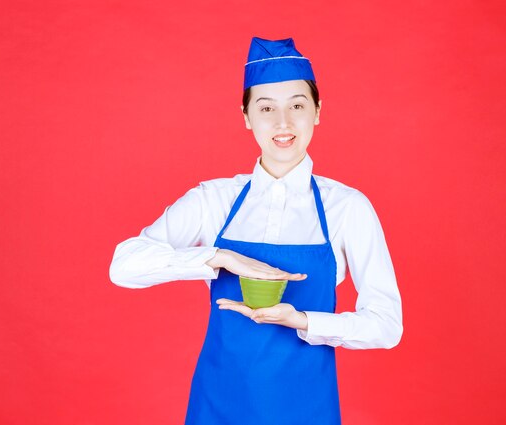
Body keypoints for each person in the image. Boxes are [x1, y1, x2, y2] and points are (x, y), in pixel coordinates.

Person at [109, 37, 403, 425]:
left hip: (306, 406)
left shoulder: (347, 208)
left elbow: (386, 325)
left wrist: (301, 320)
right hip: (218, 403)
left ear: (317, 111)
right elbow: (123, 267)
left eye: (297, 105)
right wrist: (218, 257)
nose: (283, 124)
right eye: (266, 108)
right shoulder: (212, 200)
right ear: (246, 116)